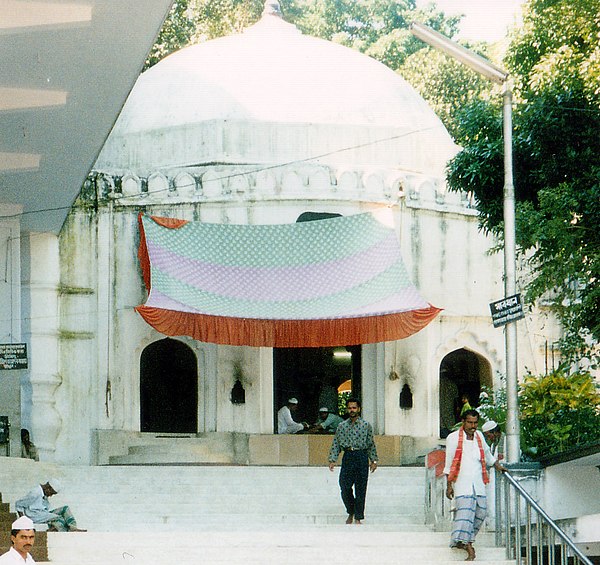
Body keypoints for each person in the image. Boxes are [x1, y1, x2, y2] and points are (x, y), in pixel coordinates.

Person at [444, 409, 506, 561]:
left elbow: (487, 455)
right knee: (465, 514)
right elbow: (449, 462)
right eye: (470, 422)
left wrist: (497, 466)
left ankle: (462, 540)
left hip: (478, 483)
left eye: (475, 423)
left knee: (481, 513)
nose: (473, 426)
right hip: (462, 483)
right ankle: (468, 546)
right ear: (464, 422)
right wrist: (449, 485)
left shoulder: (479, 436)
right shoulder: (453, 438)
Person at [328, 398, 378, 525]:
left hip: (361, 456)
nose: (352, 410)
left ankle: (358, 517)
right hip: (348, 456)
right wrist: (332, 459)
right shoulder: (341, 426)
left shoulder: (366, 426)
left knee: (361, 488)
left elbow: (370, 443)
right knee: (344, 486)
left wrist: (374, 460)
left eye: (354, 408)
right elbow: (336, 443)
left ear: (359, 409)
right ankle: (351, 510)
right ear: (347, 409)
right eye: (349, 408)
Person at [15, 480, 86, 532]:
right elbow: (19, 504)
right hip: (34, 515)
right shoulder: (35, 492)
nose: (51, 495)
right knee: (60, 519)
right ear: (48, 488)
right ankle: (53, 530)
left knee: (65, 509)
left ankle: (73, 528)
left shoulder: (43, 493)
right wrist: (23, 520)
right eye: (52, 493)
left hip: (42, 513)